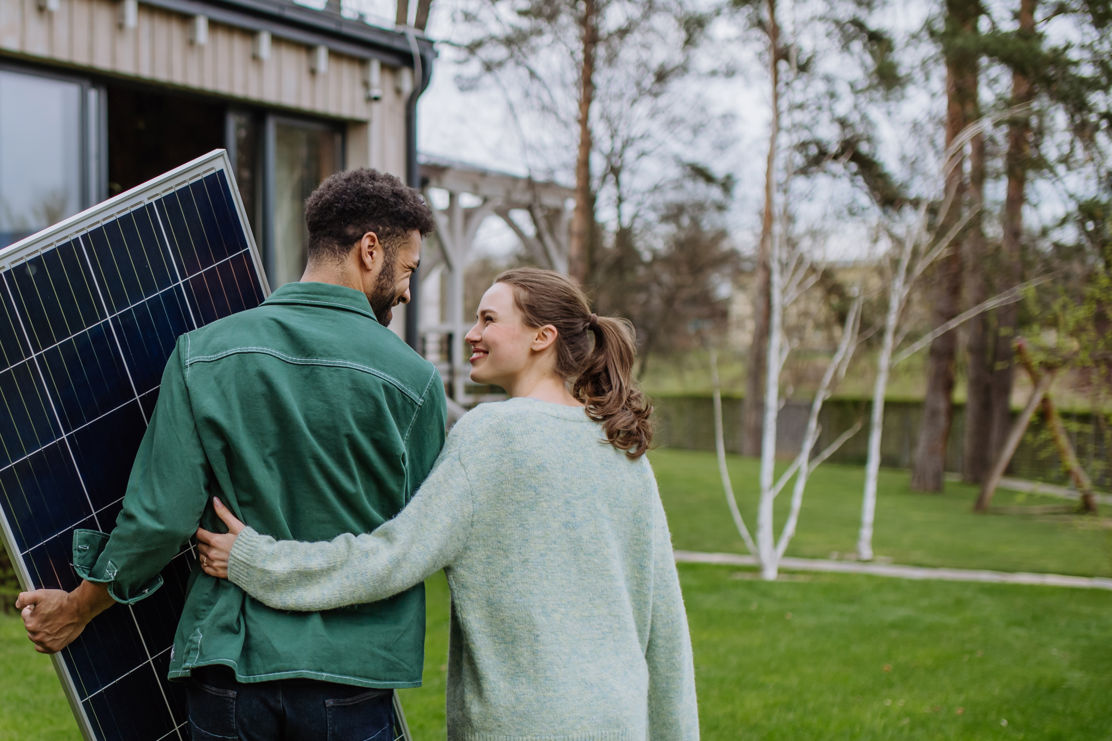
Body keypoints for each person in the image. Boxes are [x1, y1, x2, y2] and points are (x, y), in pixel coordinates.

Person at [17, 168, 447, 740]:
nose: (408, 290)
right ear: (369, 250)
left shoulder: (203, 355)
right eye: (409, 269)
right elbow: (423, 538)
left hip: (233, 667)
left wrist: (79, 606)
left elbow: (159, 519)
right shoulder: (413, 383)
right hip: (352, 679)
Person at [196, 267, 700, 740]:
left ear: (541, 337)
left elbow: (391, 559)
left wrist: (256, 559)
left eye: (488, 319)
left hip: (524, 725)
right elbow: (666, 626)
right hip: (621, 720)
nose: (470, 334)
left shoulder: (493, 434)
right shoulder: (621, 446)